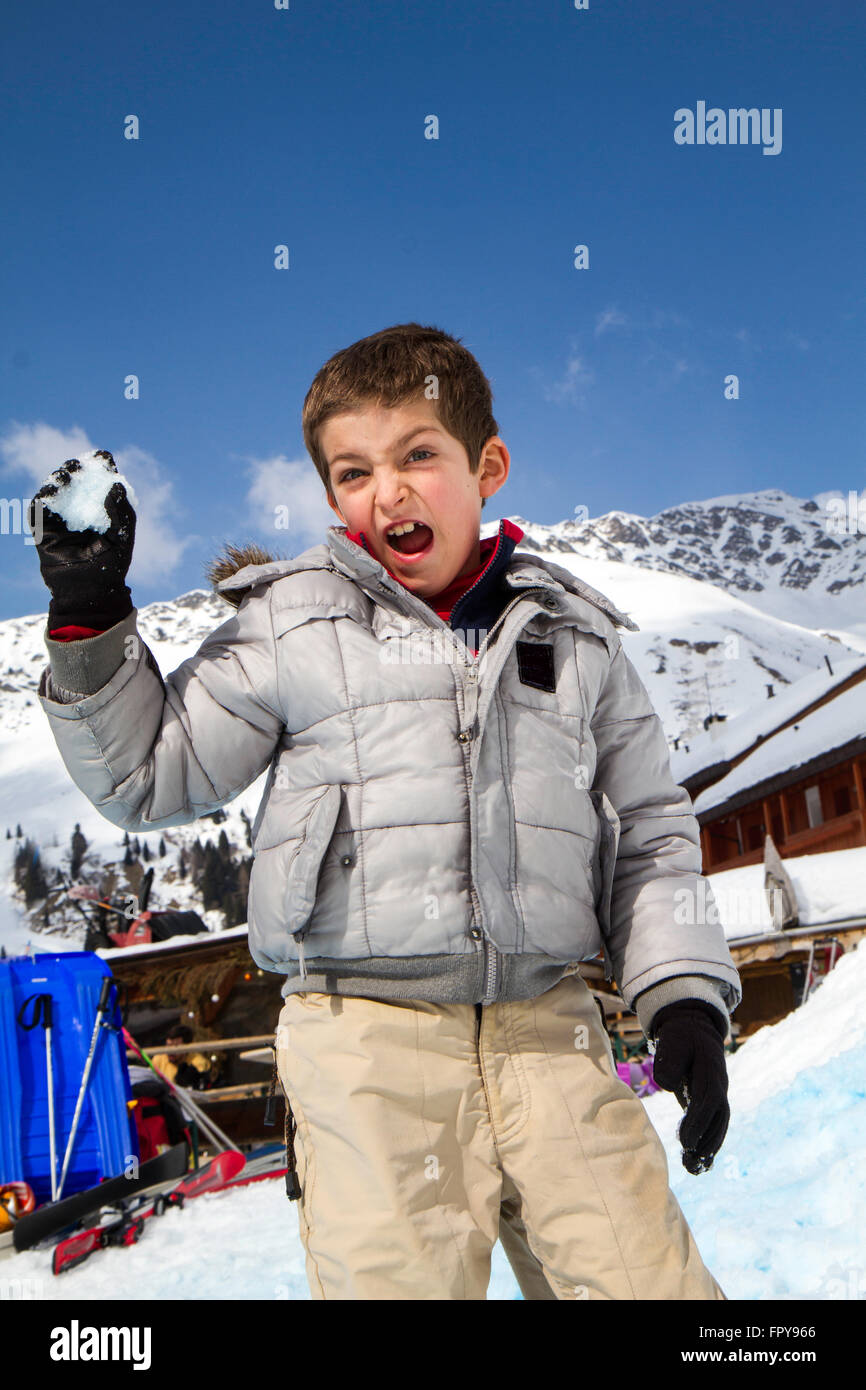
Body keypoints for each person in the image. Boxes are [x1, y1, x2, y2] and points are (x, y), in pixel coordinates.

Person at [30, 323, 741, 1300]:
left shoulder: (574, 643)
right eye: (354, 470)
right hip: (366, 1039)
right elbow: (149, 774)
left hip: (549, 1027)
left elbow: (651, 840)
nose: (388, 491)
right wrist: (90, 618)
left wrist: (683, 1000)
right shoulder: (292, 625)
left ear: (485, 464)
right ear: (331, 496)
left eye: (417, 455)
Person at [151, 1025, 213, 1090]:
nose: (171, 1051)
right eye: (168, 1046)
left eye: (176, 1047)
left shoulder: (198, 1063)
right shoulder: (158, 1059)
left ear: (187, 1047)